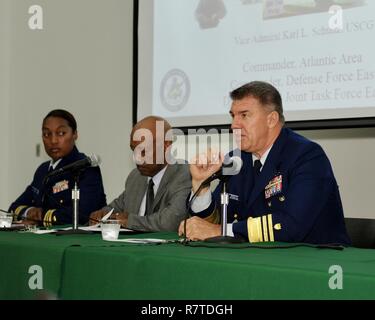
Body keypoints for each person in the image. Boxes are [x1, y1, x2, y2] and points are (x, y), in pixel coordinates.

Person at [179, 81, 351, 245]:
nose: (234, 125)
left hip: (316, 263)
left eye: (244, 115)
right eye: (233, 116)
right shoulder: (237, 160)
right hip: (257, 258)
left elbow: (291, 226)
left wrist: (222, 231)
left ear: (271, 119)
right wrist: (201, 186)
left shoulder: (307, 156)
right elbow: (215, 221)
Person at [90, 116, 191, 232]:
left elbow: (170, 222)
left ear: (166, 146)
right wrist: (102, 214)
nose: (137, 159)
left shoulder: (184, 174)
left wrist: (129, 221)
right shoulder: (136, 176)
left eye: (144, 151)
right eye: (134, 150)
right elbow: (115, 208)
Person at [9, 109, 107, 227]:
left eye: (61, 133)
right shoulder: (43, 170)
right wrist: (29, 212)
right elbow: (13, 207)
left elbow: (83, 214)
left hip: (77, 240)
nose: (53, 141)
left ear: (75, 134)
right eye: (46, 134)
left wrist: (41, 217)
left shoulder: (85, 168)